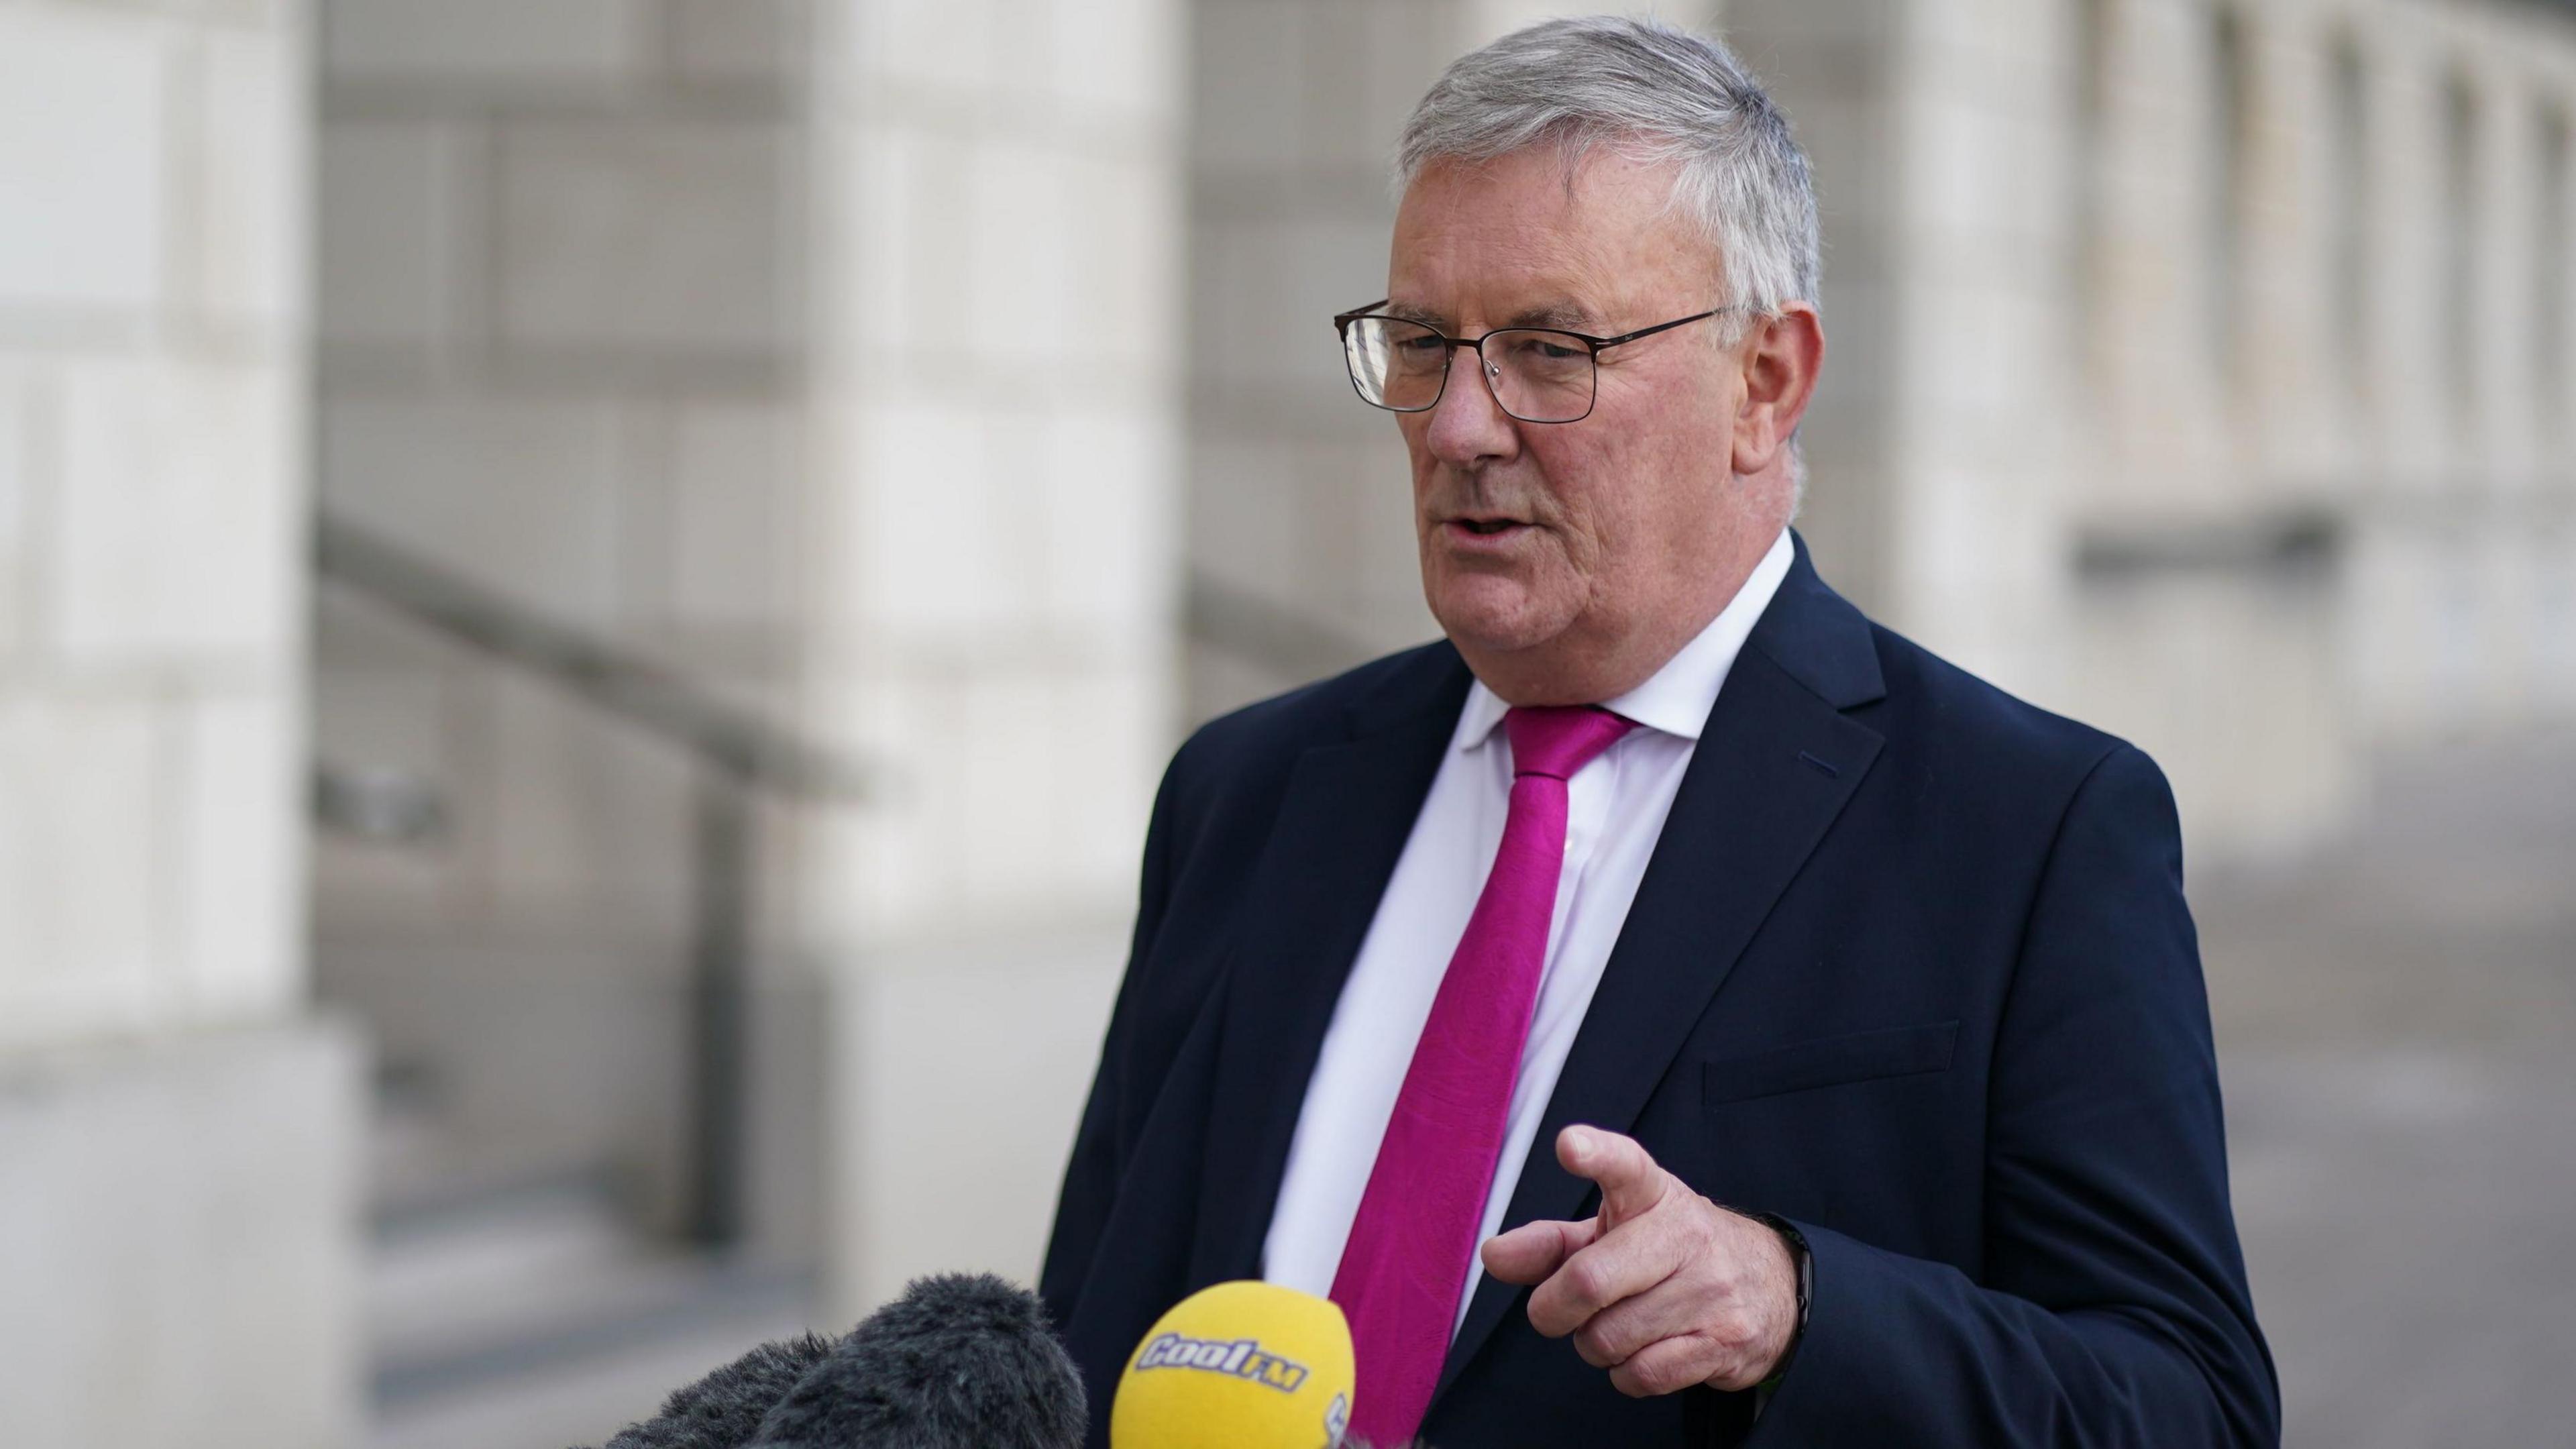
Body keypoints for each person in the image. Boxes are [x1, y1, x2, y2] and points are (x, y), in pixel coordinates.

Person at [1040, 16, 2277, 1448]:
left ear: (1767, 382)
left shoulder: (2026, 828)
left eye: (1551, 351)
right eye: (1425, 344)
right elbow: (1085, 1333)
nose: (1458, 428)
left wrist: (1800, 1308)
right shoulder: (1244, 796)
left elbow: (2189, 1406)